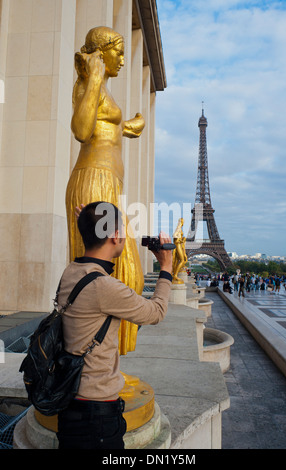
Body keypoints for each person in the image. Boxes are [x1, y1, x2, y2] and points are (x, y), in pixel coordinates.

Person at [56, 202, 173, 449]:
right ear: (113, 236)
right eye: (122, 230)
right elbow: (156, 312)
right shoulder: (103, 287)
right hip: (96, 413)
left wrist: (88, 224)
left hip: (69, 401)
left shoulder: (71, 272)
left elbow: (103, 281)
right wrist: (166, 267)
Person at [66, 26, 146, 356]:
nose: (124, 59)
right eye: (119, 51)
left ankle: (106, 359)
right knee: (117, 276)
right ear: (101, 54)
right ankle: (93, 357)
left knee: (123, 276)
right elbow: (82, 129)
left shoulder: (104, 93)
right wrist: (95, 76)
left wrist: (130, 126)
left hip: (108, 184)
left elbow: (106, 127)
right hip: (93, 182)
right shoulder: (89, 84)